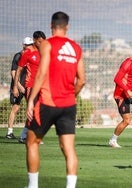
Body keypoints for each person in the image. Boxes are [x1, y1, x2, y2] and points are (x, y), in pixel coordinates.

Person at [26, 11, 85, 188]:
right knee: (68, 149)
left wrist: (31, 100)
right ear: (67, 27)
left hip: (47, 102)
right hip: (68, 105)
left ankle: (33, 186)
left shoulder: (47, 44)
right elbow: (81, 81)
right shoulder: (76, 48)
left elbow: (41, 73)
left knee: (32, 142)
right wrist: (70, 96)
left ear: (51, 26)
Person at [13, 31, 46, 144]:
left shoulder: (43, 52)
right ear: (35, 40)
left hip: (42, 86)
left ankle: (24, 136)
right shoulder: (27, 53)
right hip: (30, 86)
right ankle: (32, 137)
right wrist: (15, 87)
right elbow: (18, 71)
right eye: (40, 41)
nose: (42, 44)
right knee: (33, 110)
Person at [5, 40, 27, 139]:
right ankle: (9, 132)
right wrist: (18, 86)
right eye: (26, 45)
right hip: (17, 86)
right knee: (15, 107)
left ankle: (27, 133)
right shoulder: (18, 56)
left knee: (32, 108)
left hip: (27, 86)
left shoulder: (31, 55)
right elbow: (13, 73)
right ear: (23, 45)